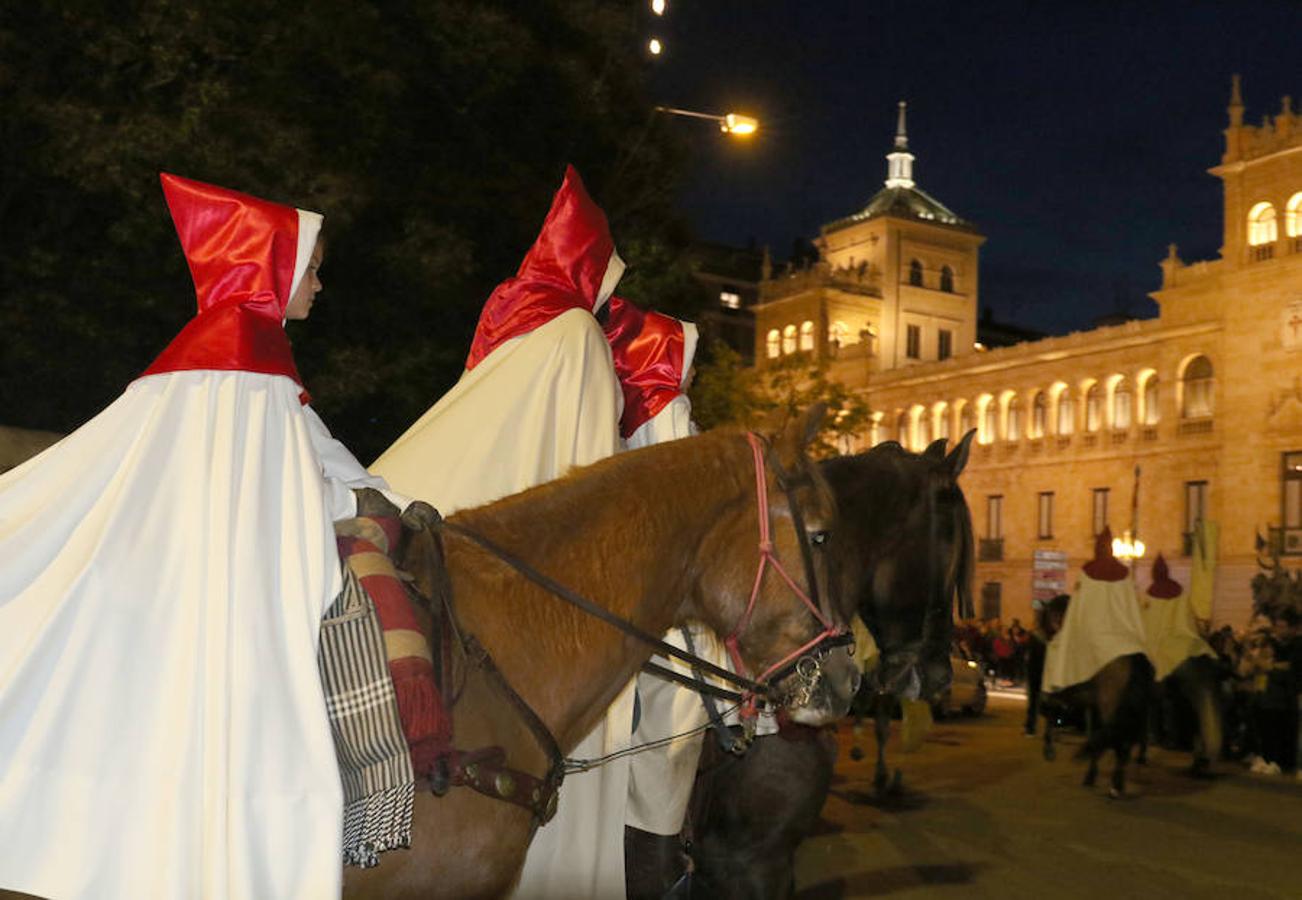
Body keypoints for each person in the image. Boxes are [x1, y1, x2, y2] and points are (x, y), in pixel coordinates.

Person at [0, 173, 404, 899]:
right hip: (226, 611)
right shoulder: (252, 362)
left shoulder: (209, 362)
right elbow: (292, 498)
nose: (318, 284)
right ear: (271, 268)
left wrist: (381, 494)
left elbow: (312, 457)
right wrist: (373, 506)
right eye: (310, 268)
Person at [368, 166, 629, 899]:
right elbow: (591, 475)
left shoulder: (527, 319)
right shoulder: (577, 334)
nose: (610, 295)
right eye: (607, 274)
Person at [370, 165, 624, 514]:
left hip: (429, 484)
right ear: (591, 269)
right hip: (492, 514)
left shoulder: (516, 307)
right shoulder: (579, 331)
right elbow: (596, 457)